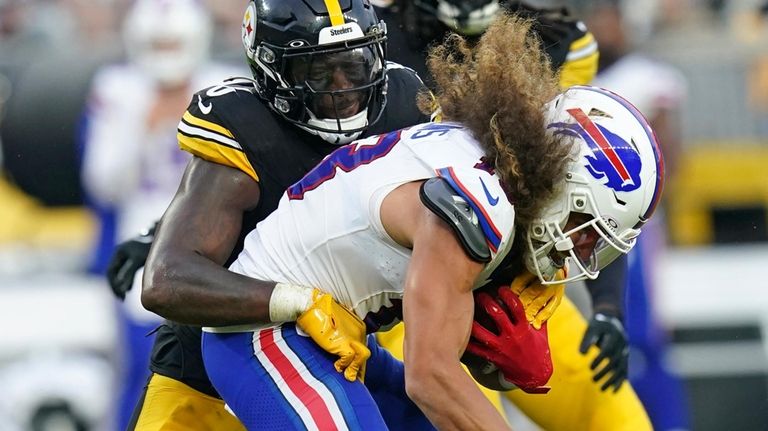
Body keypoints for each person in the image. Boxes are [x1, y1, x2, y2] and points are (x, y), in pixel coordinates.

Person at [200, 12, 665, 429]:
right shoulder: (482, 204)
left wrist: (500, 365)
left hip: (342, 340)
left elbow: (455, 353)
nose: (581, 249)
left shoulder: (498, 176)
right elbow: (431, 376)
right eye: (585, 225)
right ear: (563, 183)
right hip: (265, 336)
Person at [111, 0, 432, 429]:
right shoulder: (246, 129)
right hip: (212, 371)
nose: (342, 88)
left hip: (340, 350)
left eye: (353, 66)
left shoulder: (405, 107)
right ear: (271, 70)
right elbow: (166, 281)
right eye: (316, 71)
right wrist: (298, 301)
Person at [370, 2, 652, 429]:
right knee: (468, 408)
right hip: (403, 288)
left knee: (616, 417)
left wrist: (608, 307)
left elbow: (587, 195)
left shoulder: (557, 41)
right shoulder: (367, 38)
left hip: (509, 279)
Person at [79, 1, 241, 428]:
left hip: (213, 239)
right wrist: (142, 127)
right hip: (143, 237)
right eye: (158, 43)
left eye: (174, 42)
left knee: (222, 368)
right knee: (143, 366)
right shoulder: (117, 90)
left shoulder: (219, 85)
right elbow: (102, 182)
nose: (167, 52)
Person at [585, 2, 690, 430]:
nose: (602, 30)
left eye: (608, 21)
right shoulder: (578, 79)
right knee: (601, 333)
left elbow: (670, 156)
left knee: (643, 337)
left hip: (636, 225)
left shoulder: (647, 77)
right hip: (582, 226)